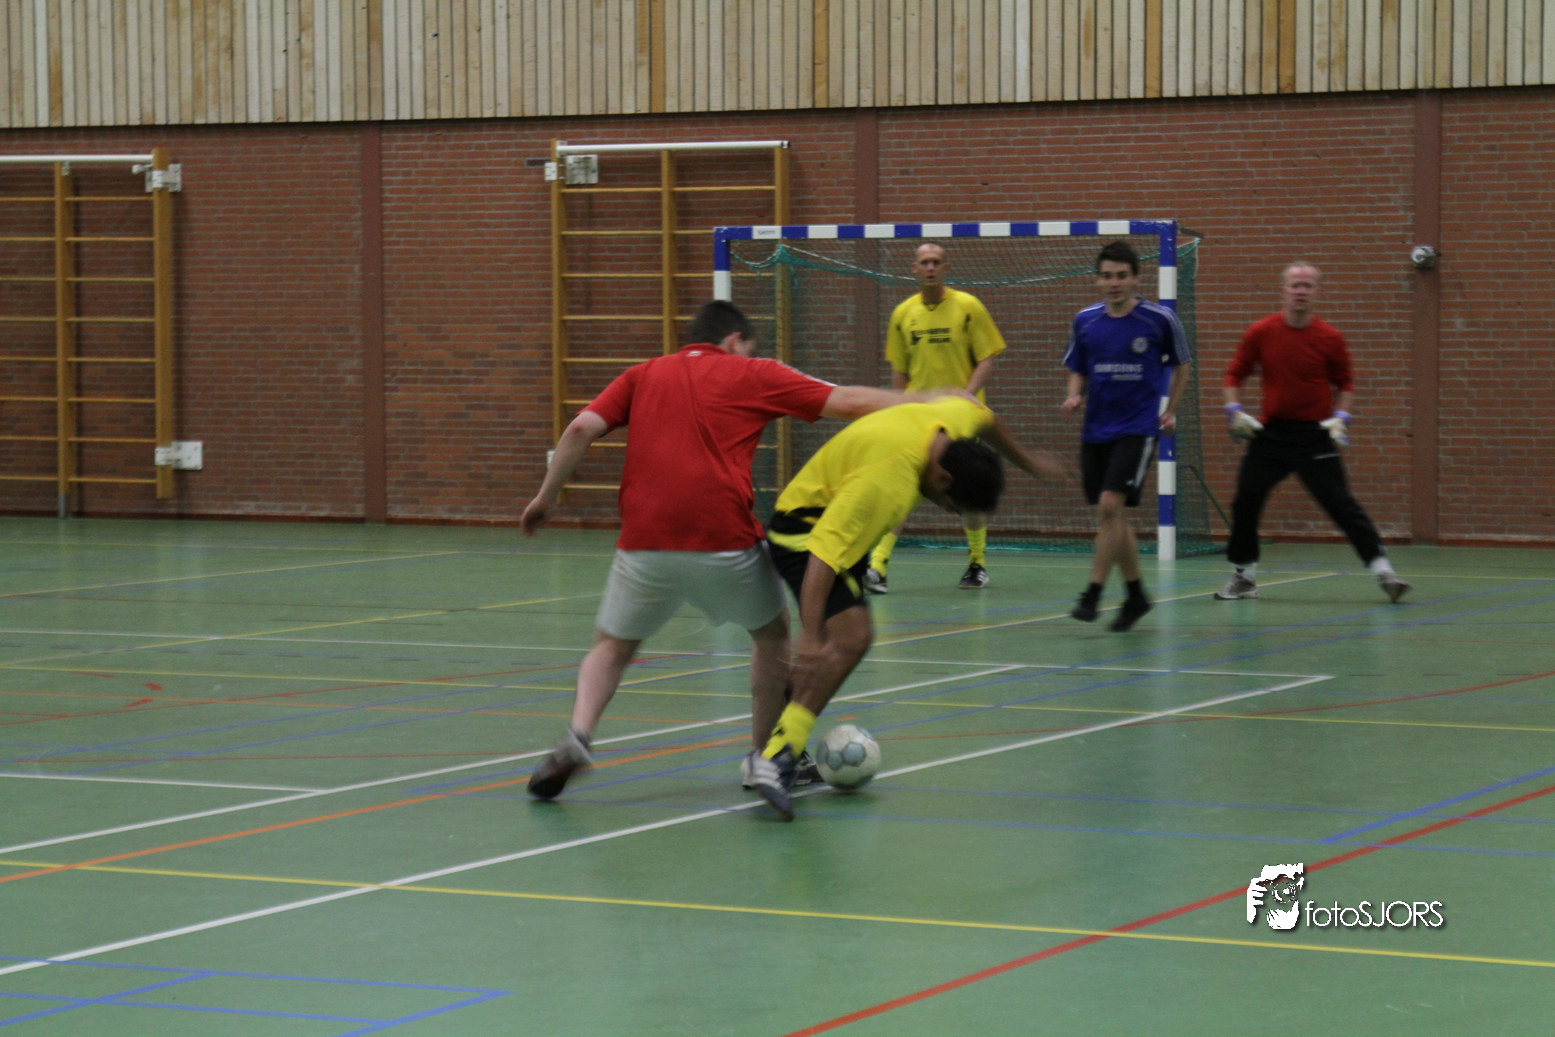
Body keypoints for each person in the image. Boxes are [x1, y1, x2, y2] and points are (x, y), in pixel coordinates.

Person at [520, 300, 944, 801]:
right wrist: (928, 400)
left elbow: (580, 429)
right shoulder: (752, 372)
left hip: (643, 543)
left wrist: (546, 498)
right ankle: (765, 758)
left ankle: (579, 732)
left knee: (612, 646)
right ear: (735, 341)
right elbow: (849, 401)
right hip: (722, 539)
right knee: (772, 634)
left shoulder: (643, 374)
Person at [748, 395, 1067, 820]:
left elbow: (984, 415)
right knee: (851, 638)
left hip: (841, 523)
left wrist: (1028, 463)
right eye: (951, 505)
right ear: (942, 477)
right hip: (803, 533)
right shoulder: (888, 480)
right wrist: (811, 636)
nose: (946, 511)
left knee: (852, 638)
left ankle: (782, 744)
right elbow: (822, 556)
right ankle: (776, 756)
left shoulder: (950, 425)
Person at [1215, 262, 1410, 603]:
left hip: (1314, 436)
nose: (1301, 291)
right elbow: (1234, 375)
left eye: (1307, 285)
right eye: (1295, 285)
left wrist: (1341, 417)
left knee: (1341, 503)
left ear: (1317, 292)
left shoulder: (1329, 338)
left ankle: (1384, 572)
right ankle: (1244, 577)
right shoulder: (1260, 332)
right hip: (1271, 435)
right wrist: (1234, 411)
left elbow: (1345, 383)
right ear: (1284, 290)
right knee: (1246, 500)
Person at [1061, 240, 1193, 632]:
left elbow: (1182, 365)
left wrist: (1170, 409)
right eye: (1107, 276)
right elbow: (1078, 367)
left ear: (1136, 278)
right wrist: (1074, 395)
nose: (1114, 282)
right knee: (1113, 514)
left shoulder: (1159, 320)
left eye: (1122, 276)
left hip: (1137, 428)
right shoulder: (1086, 321)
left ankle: (1092, 594)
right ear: (1097, 280)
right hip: (1096, 430)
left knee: (1108, 506)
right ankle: (1136, 594)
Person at [866, 242, 1007, 593]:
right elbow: (900, 370)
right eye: (924, 262)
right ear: (914, 269)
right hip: (920, 422)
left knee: (968, 493)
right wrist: (901, 410)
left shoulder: (968, 307)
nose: (930, 267)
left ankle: (977, 564)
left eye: (936, 262)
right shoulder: (903, 314)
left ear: (946, 268)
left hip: (962, 421)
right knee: (903, 489)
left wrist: (968, 395)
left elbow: (988, 357)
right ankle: (878, 567)